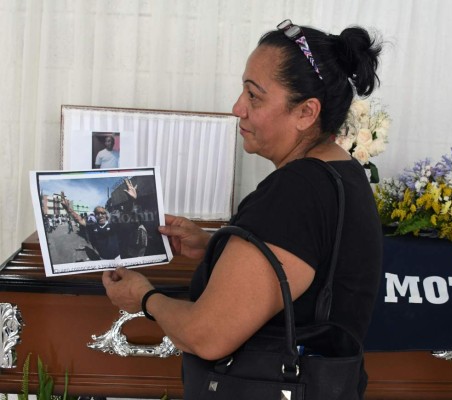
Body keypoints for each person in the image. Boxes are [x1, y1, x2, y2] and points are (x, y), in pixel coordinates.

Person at [102, 19, 383, 398]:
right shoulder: (342, 174)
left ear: (306, 112)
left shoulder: (296, 190)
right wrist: (217, 246)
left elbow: (207, 335)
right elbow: (306, 265)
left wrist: (144, 298)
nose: (238, 108)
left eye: (255, 96)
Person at [61, 178, 139, 260]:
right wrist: (67, 208)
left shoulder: (113, 224)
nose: (100, 215)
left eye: (103, 213)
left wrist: (131, 200)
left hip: (117, 258)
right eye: (98, 214)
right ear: (95, 216)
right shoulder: (92, 226)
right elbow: (79, 219)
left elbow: (126, 214)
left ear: (106, 215)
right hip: (102, 259)